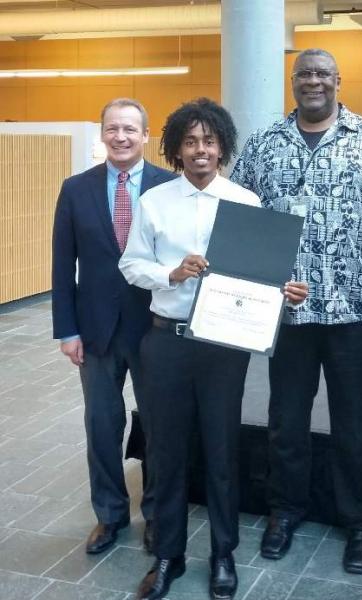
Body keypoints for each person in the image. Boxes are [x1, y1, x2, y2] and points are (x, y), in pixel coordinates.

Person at [231, 48, 362, 574]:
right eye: (304, 74)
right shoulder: (264, 144)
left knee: (357, 422)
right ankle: (285, 511)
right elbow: (244, 222)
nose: (313, 82)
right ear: (293, 81)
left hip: (352, 309)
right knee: (285, 419)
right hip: (285, 313)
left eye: (322, 74)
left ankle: (359, 523)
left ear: (338, 80)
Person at [119, 98, 307, 600]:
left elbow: (261, 274)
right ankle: (168, 558)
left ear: (222, 146)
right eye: (190, 141)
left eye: (209, 140)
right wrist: (171, 273)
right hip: (167, 341)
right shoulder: (155, 203)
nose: (200, 150)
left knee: (222, 450)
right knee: (166, 451)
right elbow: (131, 266)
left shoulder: (245, 201)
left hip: (223, 345)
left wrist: (282, 290)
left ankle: (223, 553)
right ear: (176, 148)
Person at [51, 98, 175, 556]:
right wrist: (67, 330)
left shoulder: (170, 187)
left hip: (154, 327)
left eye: (130, 129)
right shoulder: (75, 189)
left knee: (160, 426)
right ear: (102, 134)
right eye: (112, 128)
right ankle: (109, 515)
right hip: (96, 330)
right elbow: (63, 267)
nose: (120, 137)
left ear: (147, 136)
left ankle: (159, 515)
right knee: (102, 425)